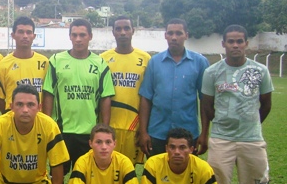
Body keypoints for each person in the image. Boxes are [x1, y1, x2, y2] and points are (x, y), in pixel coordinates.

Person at [201, 24, 274, 184]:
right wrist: (213, 129)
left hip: (252, 139)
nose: (235, 45)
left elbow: (266, 104)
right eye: (230, 41)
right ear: (223, 44)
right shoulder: (212, 72)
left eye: (239, 41)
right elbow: (207, 107)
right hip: (221, 138)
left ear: (246, 44)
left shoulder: (260, 71)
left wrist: (250, 125)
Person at [0, 16, 48, 184]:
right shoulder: (3, 65)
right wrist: (10, 115)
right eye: (21, 31)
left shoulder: (45, 63)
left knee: (34, 171)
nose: (25, 36)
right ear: (13, 35)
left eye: (29, 32)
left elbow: (49, 94)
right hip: (11, 128)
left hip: (38, 128)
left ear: (34, 35)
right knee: (9, 170)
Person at [42, 18, 115, 174]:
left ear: (90, 36)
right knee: (57, 177)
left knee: (87, 177)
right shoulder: (56, 61)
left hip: (89, 132)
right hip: (62, 131)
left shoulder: (100, 64)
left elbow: (105, 97)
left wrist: (104, 128)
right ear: (69, 36)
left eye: (82, 35)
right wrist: (47, 124)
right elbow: (48, 93)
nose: (78, 39)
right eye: (74, 35)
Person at [138, 18, 210, 157]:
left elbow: (205, 101)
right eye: (170, 33)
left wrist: (205, 133)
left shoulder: (199, 62)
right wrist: (143, 132)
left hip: (188, 134)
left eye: (178, 33)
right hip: (157, 133)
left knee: (186, 176)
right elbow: (146, 98)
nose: (174, 37)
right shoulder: (155, 62)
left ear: (186, 35)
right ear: (165, 35)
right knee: (157, 174)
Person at [100, 16, 151, 165]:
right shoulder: (102, 59)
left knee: (128, 170)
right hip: (109, 125)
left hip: (133, 127)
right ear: (113, 32)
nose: (122, 32)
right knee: (106, 168)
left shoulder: (145, 59)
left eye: (126, 28)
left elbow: (146, 97)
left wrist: (143, 129)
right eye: (118, 29)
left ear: (133, 31)